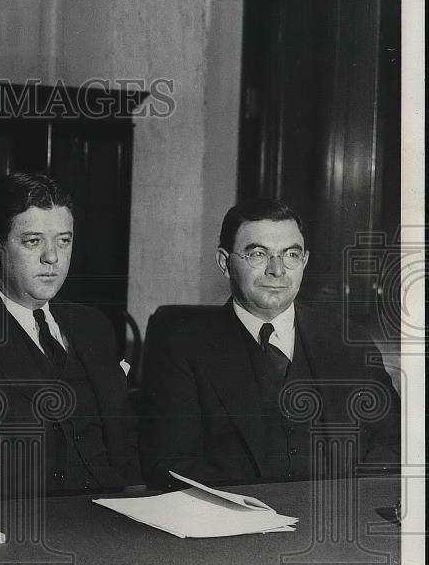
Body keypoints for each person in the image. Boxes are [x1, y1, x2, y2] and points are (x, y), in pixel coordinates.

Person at [138, 198, 401, 488]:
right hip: (236, 523)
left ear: (304, 261)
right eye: (258, 254)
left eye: (290, 255)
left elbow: (392, 444)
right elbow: (170, 463)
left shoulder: (348, 341)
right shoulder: (182, 349)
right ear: (225, 263)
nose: (277, 270)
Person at [0, 173, 141, 503]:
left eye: (63, 241)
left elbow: (124, 451)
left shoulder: (92, 326)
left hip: (114, 521)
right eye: (33, 241)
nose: (52, 258)